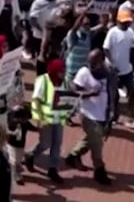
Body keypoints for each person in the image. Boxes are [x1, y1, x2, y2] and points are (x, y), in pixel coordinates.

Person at [64, 49, 114, 185]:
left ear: (102, 62)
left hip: (103, 115)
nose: (91, 66)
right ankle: (99, 172)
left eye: (94, 64)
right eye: (90, 63)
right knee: (97, 145)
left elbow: (111, 93)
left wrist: (112, 114)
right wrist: (89, 93)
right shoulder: (84, 73)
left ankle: (73, 156)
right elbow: (73, 89)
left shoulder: (108, 72)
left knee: (91, 139)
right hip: (88, 115)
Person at [27, 58, 68, 183]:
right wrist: (39, 118)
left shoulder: (63, 82)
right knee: (45, 143)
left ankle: (53, 169)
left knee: (57, 144)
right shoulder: (43, 80)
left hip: (59, 118)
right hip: (46, 119)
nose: (63, 73)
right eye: (61, 71)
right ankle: (31, 155)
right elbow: (36, 100)